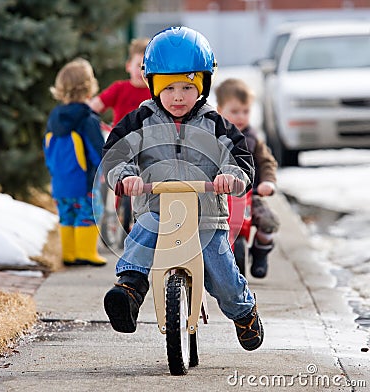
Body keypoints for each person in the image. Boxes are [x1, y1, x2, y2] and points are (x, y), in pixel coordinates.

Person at [101, 26, 264, 352]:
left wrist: (232, 176)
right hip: (155, 209)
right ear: (153, 86)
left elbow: (241, 158)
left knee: (221, 270)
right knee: (142, 235)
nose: (178, 96)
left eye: (187, 87)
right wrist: (125, 176)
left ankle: (243, 311)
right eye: (169, 87)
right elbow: (115, 155)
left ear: (202, 86)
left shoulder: (216, 124)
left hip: (205, 216)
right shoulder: (140, 121)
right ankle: (129, 291)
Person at [43, 58, 107, 267]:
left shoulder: (54, 119)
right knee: (87, 213)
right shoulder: (87, 119)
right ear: (89, 88)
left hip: (60, 182)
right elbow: (98, 150)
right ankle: (86, 253)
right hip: (85, 181)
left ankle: (69, 255)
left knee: (67, 215)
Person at [89, 38, 151, 245]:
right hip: (120, 145)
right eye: (137, 66)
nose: (141, 71)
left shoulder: (155, 93)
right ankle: (109, 215)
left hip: (146, 147)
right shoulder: (119, 88)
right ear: (128, 66)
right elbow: (95, 106)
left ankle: (140, 221)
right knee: (110, 182)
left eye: (146, 67)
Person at [216, 78, 280, 278]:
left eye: (246, 111)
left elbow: (266, 162)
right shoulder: (213, 136)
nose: (241, 117)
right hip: (219, 196)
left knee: (269, 221)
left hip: (249, 195)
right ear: (220, 110)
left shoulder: (252, 138)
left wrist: (267, 182)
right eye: (235, 112)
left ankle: (260, 251)